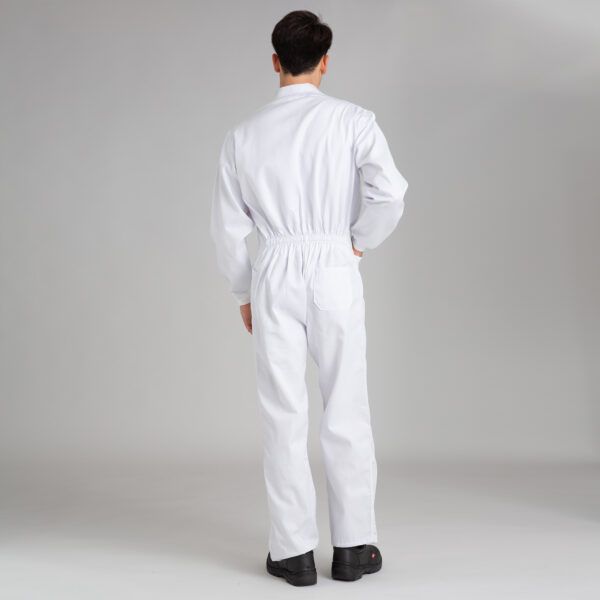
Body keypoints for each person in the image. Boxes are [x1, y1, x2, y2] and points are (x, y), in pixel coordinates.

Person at [210, 10, 408, 586]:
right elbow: (390, 195)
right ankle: (353, 547)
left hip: (273, 268)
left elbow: (226, 229)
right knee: (346, 404)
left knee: (283, 411)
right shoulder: (353, 120)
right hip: (333, 264)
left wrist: (243, 290)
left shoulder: (243, 135)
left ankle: (293, 553)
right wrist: (358, 241)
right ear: (325, 63)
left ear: (275, 61)